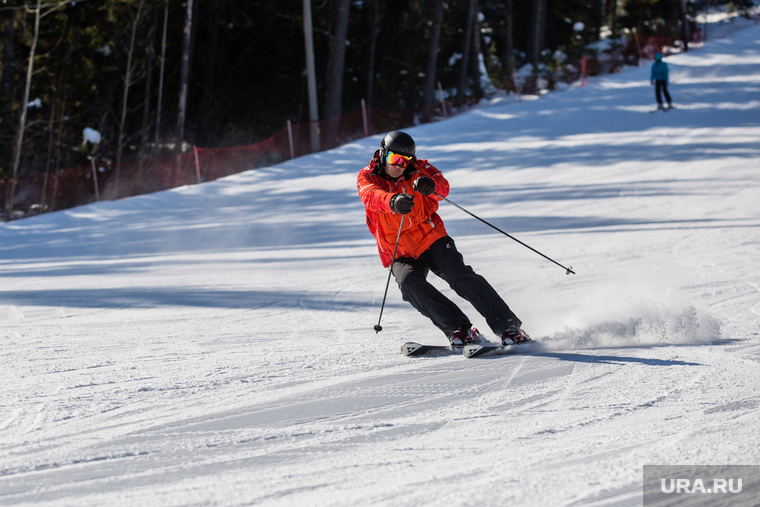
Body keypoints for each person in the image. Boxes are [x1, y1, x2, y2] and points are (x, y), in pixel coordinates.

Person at [357, 130, 530, 347]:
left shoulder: (420, 170)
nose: (399, 165)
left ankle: (509, 327)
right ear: (383, 154)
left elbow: (442, 184)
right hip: (399, 249)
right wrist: (392, 201)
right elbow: (370, 195)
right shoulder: (367, 176)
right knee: (409, 284)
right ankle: (459, 329)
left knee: (458, 276)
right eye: (394, 158)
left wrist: (431, 185)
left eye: (405, 160)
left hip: (431, 237)